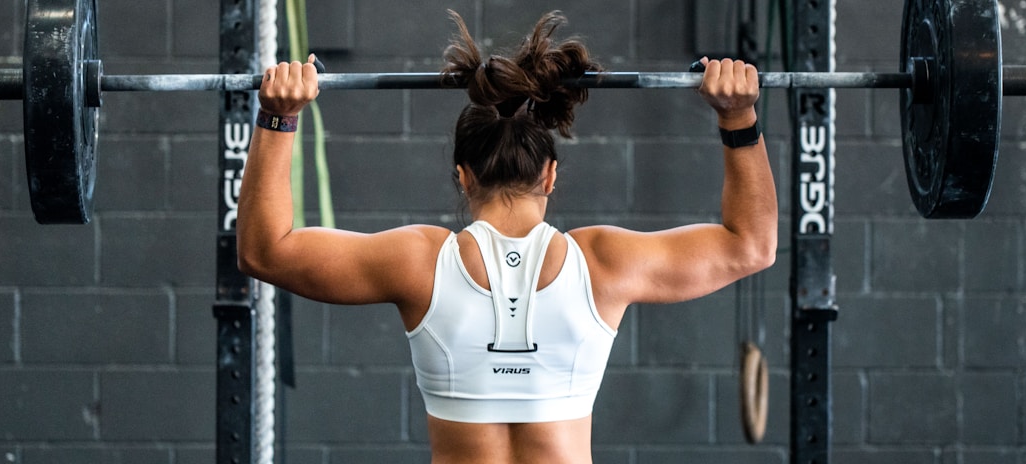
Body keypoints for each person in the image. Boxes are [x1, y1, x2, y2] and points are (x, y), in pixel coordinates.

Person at [237, 10, 777, 464]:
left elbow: (265, 250)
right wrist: (739, 116)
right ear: (550, 175)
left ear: (462, 175)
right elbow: (751, 244)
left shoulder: (418, 261)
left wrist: (278, 117)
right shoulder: (604, 263)